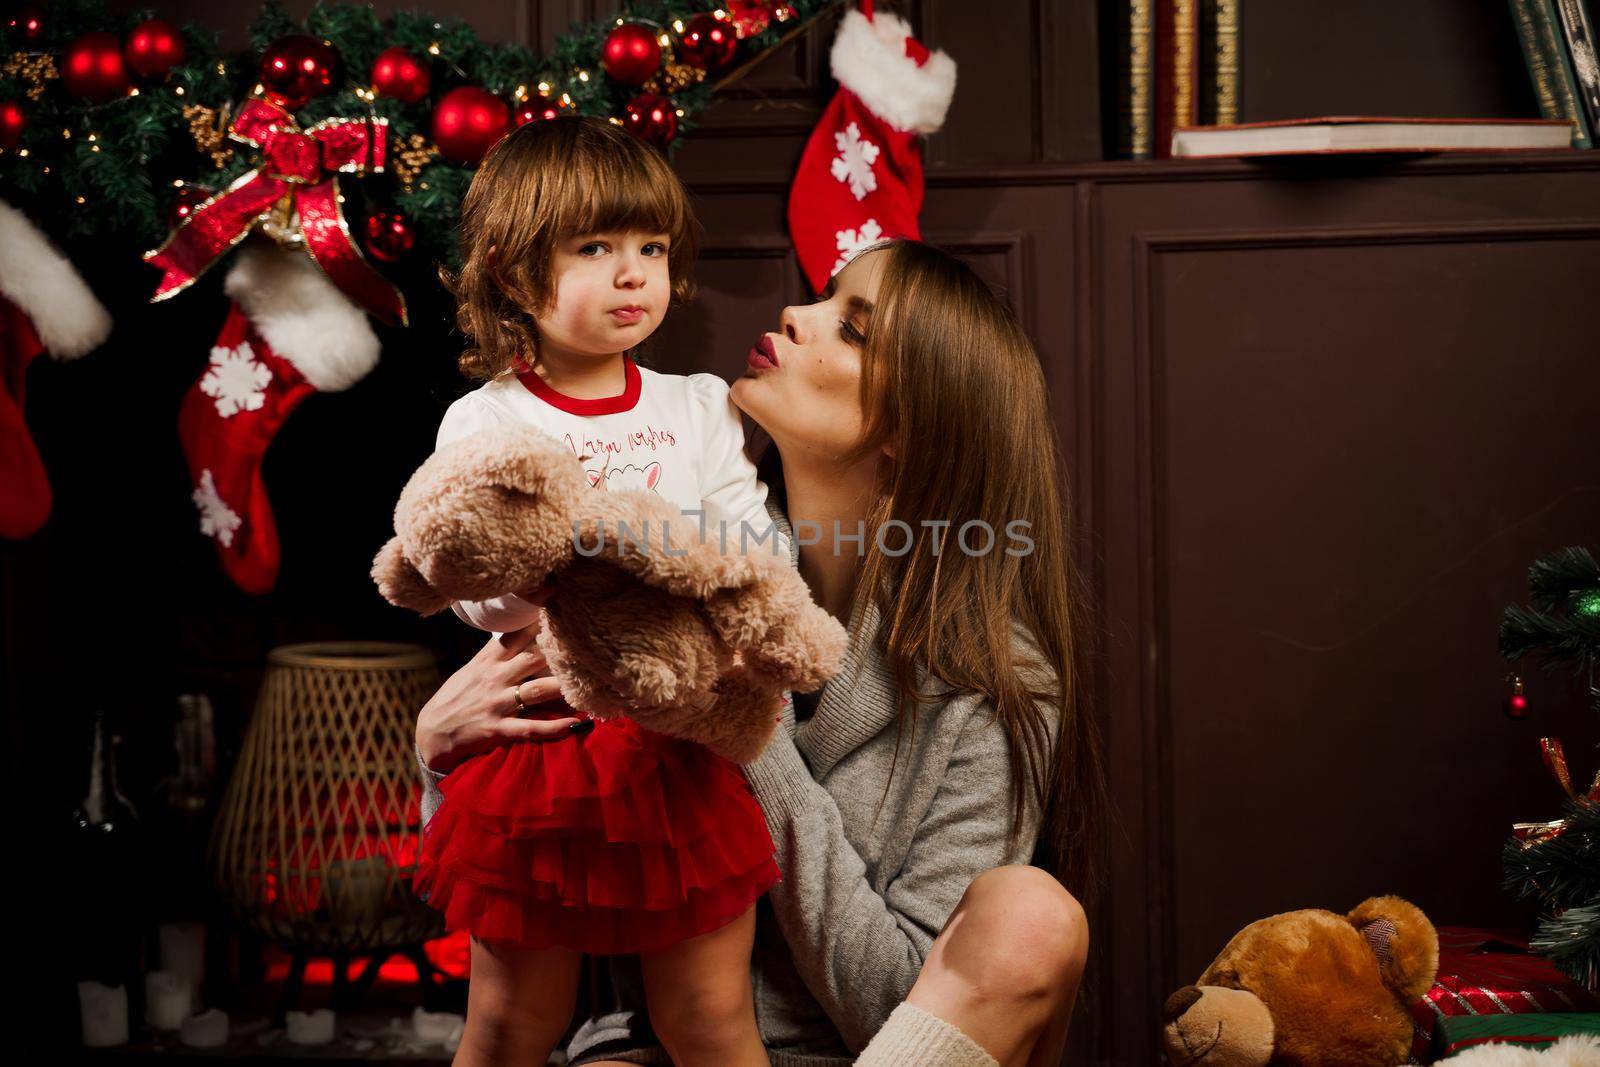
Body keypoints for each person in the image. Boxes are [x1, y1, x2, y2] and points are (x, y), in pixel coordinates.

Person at [416, 239, 1109, 1067]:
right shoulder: (666, 574)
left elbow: (902, 1008)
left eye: (852, 329)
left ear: (911, 429)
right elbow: (526, 865)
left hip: (869, 1056)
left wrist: (745, 724)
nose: (796, 315)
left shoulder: (994, 681)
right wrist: (439, 760)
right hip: (662, 1046)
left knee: (1031, 913)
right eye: (823, 295)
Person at [415, 114, 793, 1067]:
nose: (634, 274)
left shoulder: (695, 404)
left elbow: (749, 544)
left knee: (708, 1020)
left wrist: (707, 587)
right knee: (509, 1025)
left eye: (651, 248)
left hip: (677, 750)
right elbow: (467, 583)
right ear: (510, 272)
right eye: (596, 248)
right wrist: (546, 573)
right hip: (539, 747)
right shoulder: (487, 416)